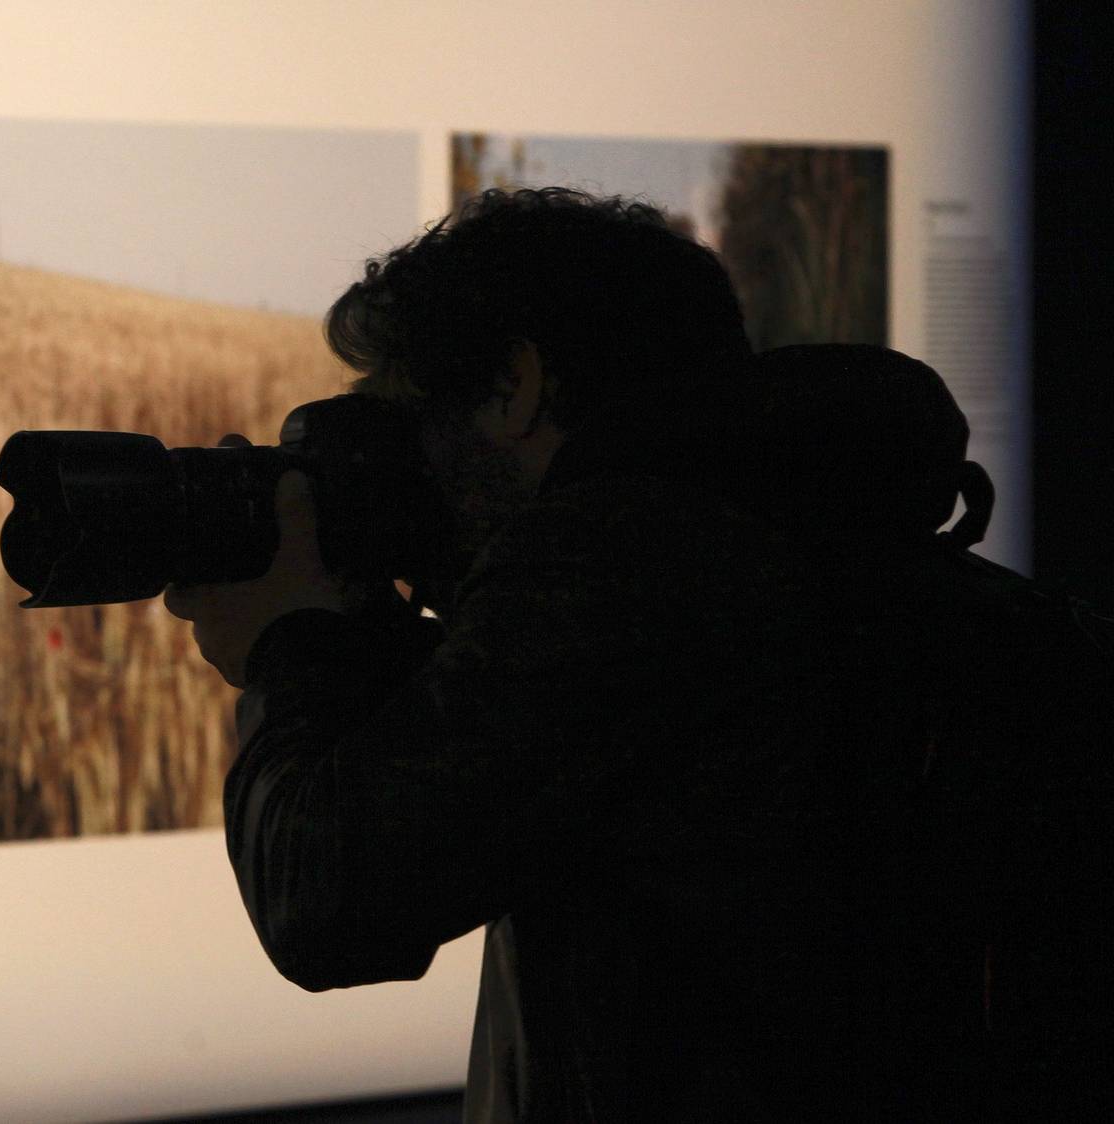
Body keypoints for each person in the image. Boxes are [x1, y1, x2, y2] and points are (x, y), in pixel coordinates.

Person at [164, 187, 1110, 1120]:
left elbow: (332, 902)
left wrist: (290, 643)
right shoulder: (811, 532)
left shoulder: (619, 555)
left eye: (409, 418)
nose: (406, 470)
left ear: (513, 384)